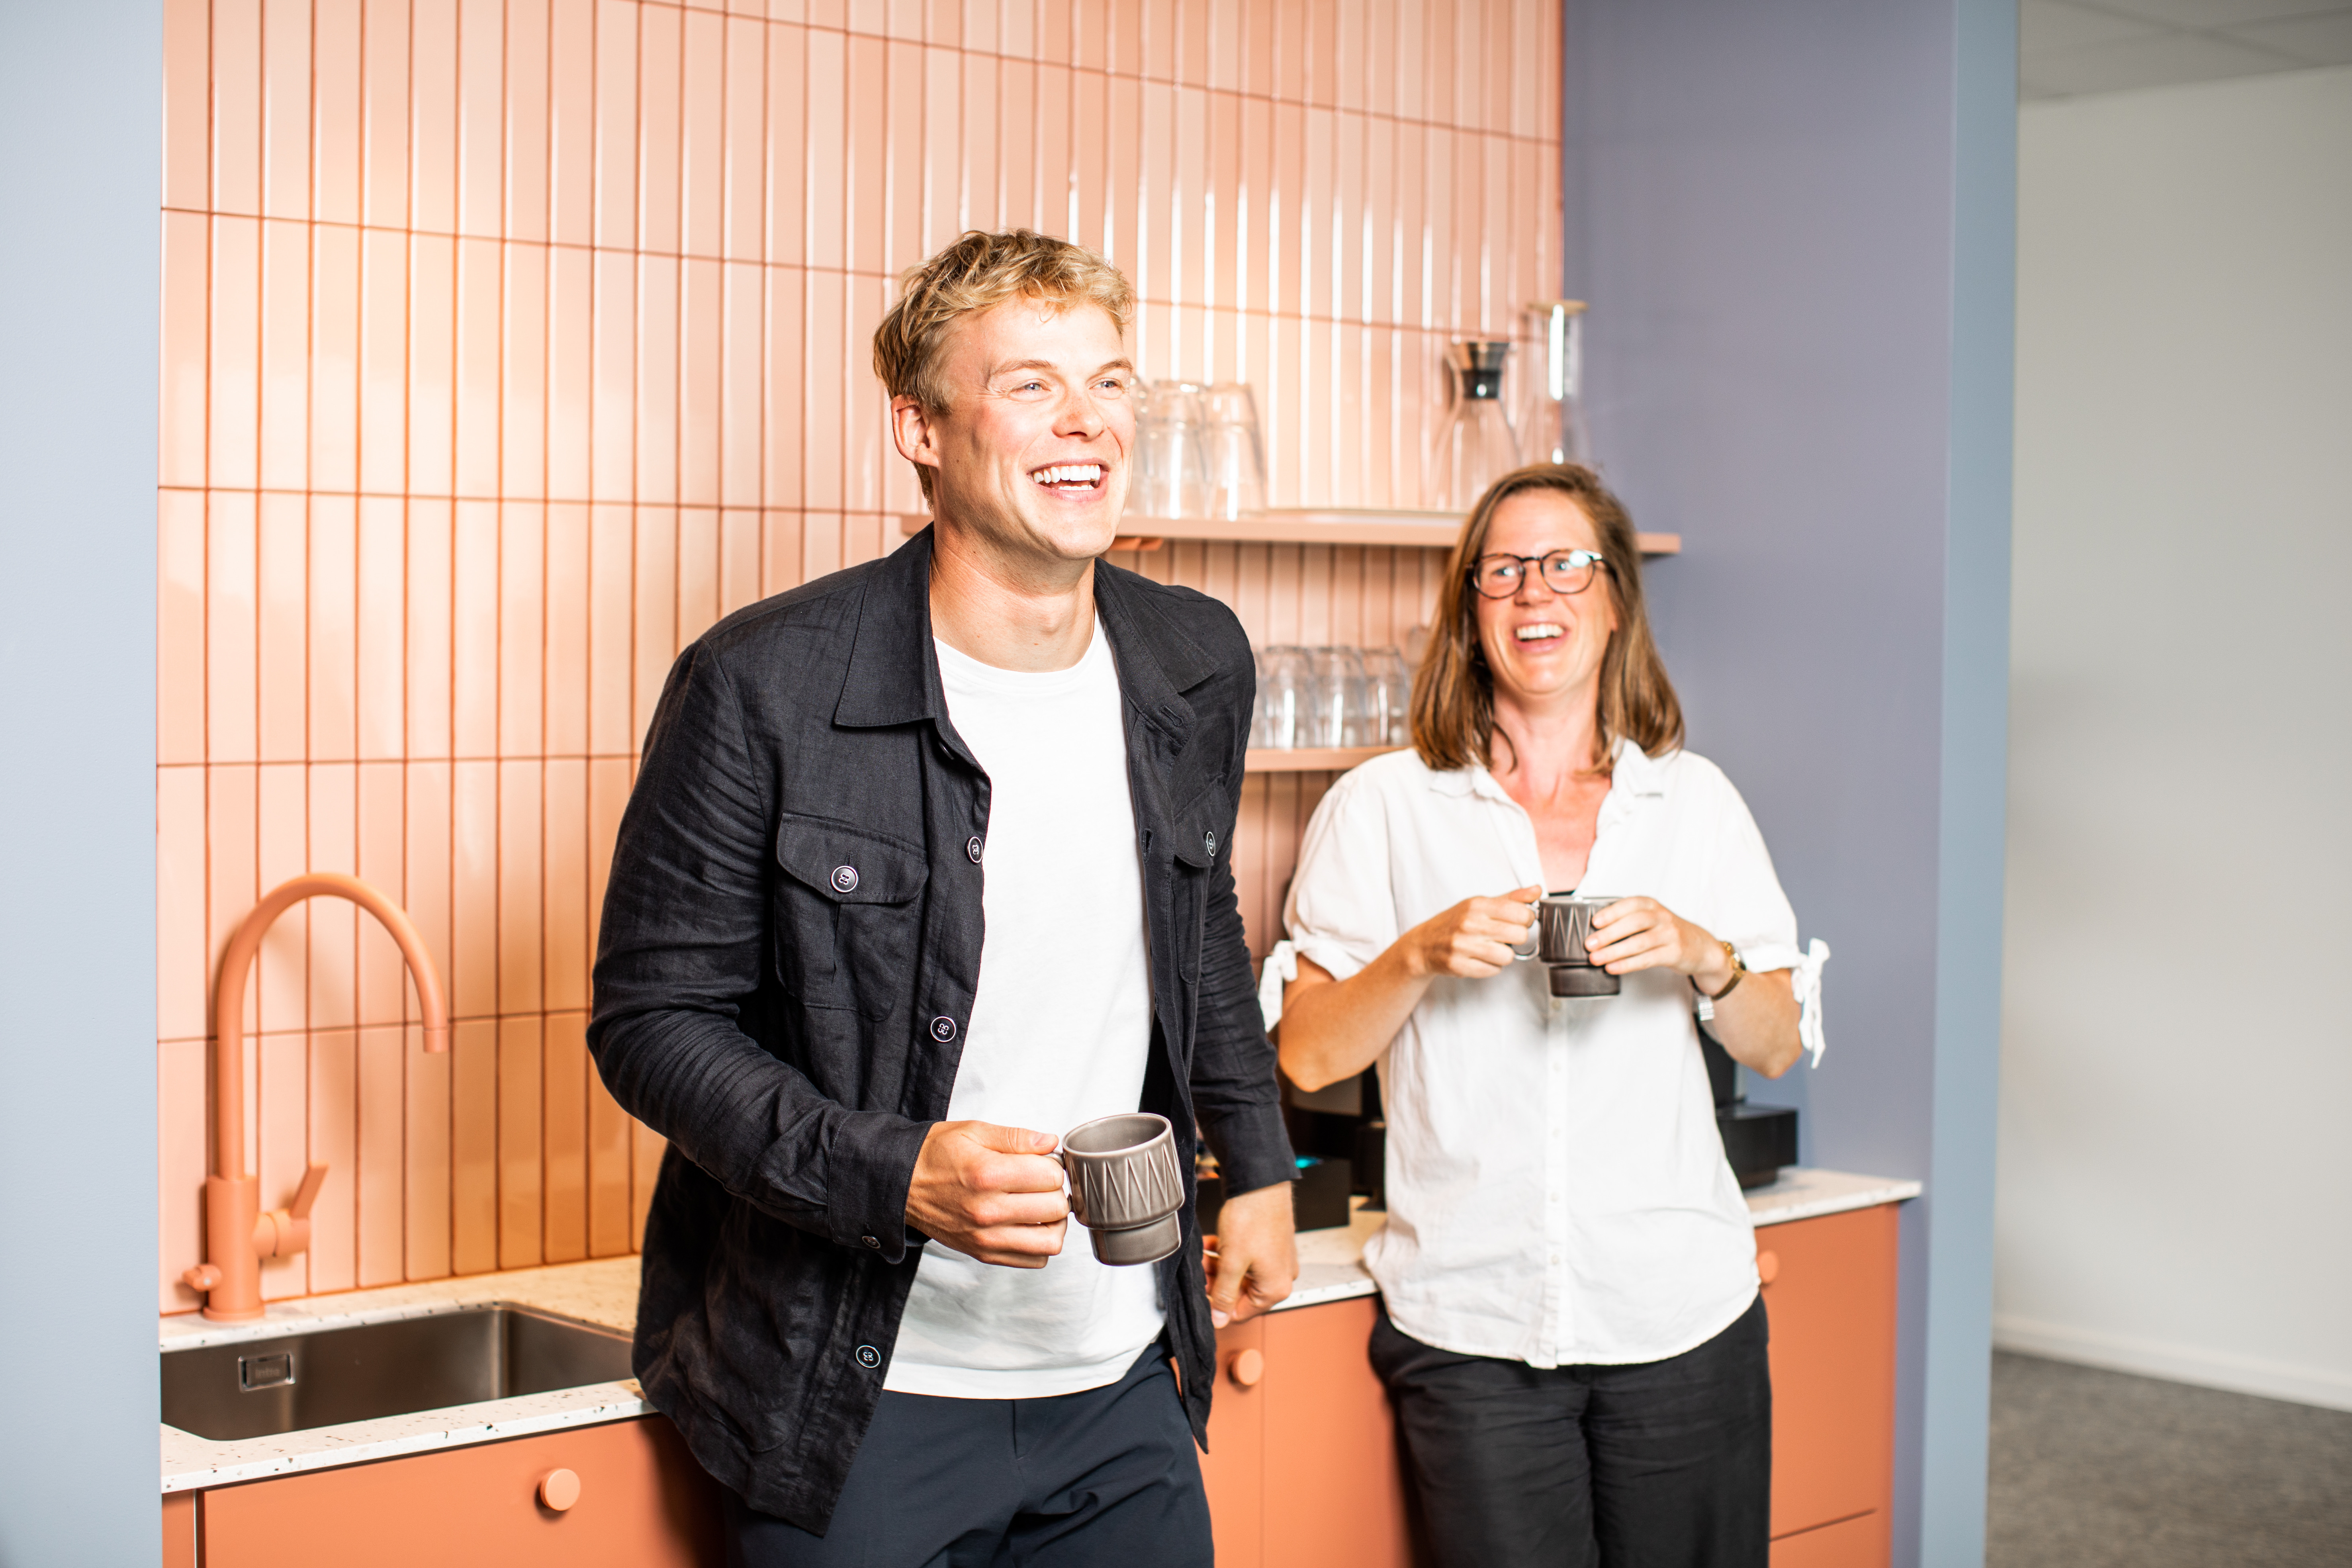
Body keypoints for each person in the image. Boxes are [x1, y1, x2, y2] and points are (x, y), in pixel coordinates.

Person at [587, 229, 1298, 1566]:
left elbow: (1198, 923)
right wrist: (895, 1173)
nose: (1087, 420)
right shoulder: (762, 683)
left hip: (1120, 1375)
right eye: (1031, 385)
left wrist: (1255, 1164)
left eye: (1109, 381)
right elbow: (651, 1021)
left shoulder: (1192, 656)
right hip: (851, 1397)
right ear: (918, 429)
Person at [1271, 463, 1828, 1568]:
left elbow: (1776, 1044)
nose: (1537, 591)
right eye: (1505, 570)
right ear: (1469, 609)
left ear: (1615, 600)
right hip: (1470, 1330)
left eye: (1569, 564)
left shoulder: (1695, 803)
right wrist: (1420, 953)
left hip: (1680, 1317)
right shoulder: (1382, 806)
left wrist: (1701, 953)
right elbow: (1307, 1055)